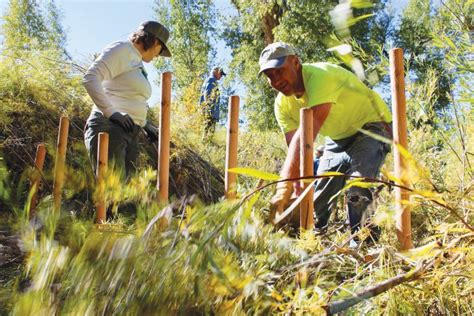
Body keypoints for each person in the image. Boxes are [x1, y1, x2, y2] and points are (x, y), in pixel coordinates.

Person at [260, 42, 392, 234]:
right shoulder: (282, 105)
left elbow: (305, 136)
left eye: (279, 71)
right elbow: (296, 150)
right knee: (319, 198)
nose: (275, 80)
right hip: (338, 138)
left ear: (295, 62)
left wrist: (282, 189)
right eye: (269, 76)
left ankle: (364, 243)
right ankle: (318, 241)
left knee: (358, 187)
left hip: (372, 126)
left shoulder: (320, 77)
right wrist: (294, 189)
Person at [83, 21, 171, 179]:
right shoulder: (122, 49)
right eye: (161, 49)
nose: (158, 55)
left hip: (127, 132)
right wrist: (112, 113)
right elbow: (91, 78)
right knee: (113, 194)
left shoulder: (135, 61)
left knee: (127, 197)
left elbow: (125, 95)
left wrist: (145, 124)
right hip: (109, 127)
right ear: (155, 41)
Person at [199, 66, 226, 137]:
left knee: (208, 131)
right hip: (210, 111)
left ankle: (206, 145)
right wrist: (209, 109)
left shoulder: (210, 80)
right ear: (215, 72)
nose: (221, 76)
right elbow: (207, 94)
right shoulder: (211, 80)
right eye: (220, 74)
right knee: (208, 132)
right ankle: (205, 144)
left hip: (209, 110)